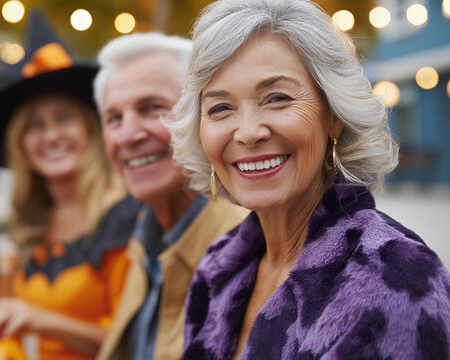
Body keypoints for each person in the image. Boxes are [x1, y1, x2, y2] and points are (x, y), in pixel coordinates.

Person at [167, 0, 450, 358]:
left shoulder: (396, 277)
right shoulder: (217, 267)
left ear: (333, 114)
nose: (248, 132)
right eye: (220, 107)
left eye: (277, 98)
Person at [0, 14, 140, 360]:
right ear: (21, 145)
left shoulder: (126, 216)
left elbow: (134, 341)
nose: (51, 136)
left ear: (92, 130)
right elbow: (7, 317)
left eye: (64, 118)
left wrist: (42, 321)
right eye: (34, 125)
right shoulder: (34, 224)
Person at [93, 33, 249, 360]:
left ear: (207, 114)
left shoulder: (251, 248)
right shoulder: (145, 237)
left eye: (152, 108)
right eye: (114, 118)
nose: (128, 135)